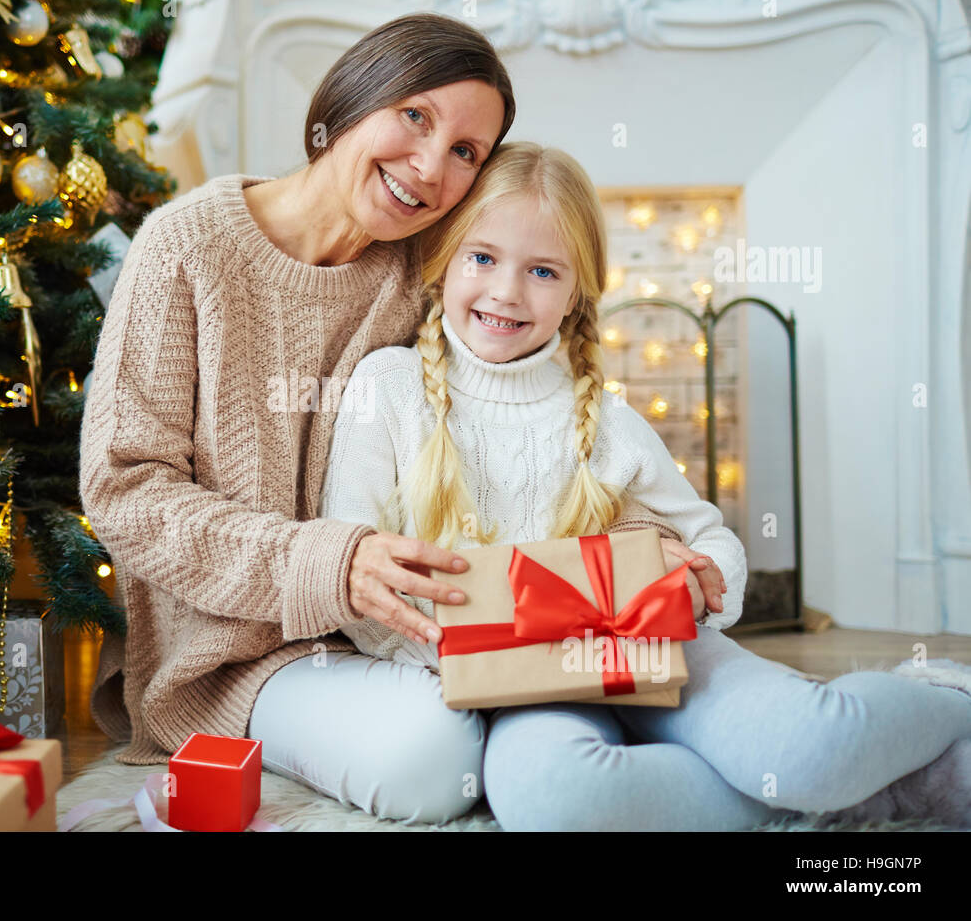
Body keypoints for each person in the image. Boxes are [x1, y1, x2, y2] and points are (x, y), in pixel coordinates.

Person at [79, 13, 725, 791]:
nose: (428, 166)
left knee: (538, 729)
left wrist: (645, 534)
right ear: (351, 97)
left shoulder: (433, 263)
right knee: (431, 762)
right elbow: (125, 491)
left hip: (414, 638)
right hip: (233, 660)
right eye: (415, 116)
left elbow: (535, 420)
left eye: (464, 152)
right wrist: (329, 562)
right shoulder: (185, 248)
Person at [298, 140, 971, 828]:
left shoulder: (607, 420)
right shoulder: (389, 388)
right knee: (550, 796)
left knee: (811, 744)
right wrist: (472, 651)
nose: (505, 290)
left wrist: (698, 581)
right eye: (482, 257)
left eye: (542, 270)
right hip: (526, 691)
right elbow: (352, 574)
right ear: (444, 260)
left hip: (651, 648)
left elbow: (712, 537)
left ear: (576, 291)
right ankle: (858, 793)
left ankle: (947, 697)